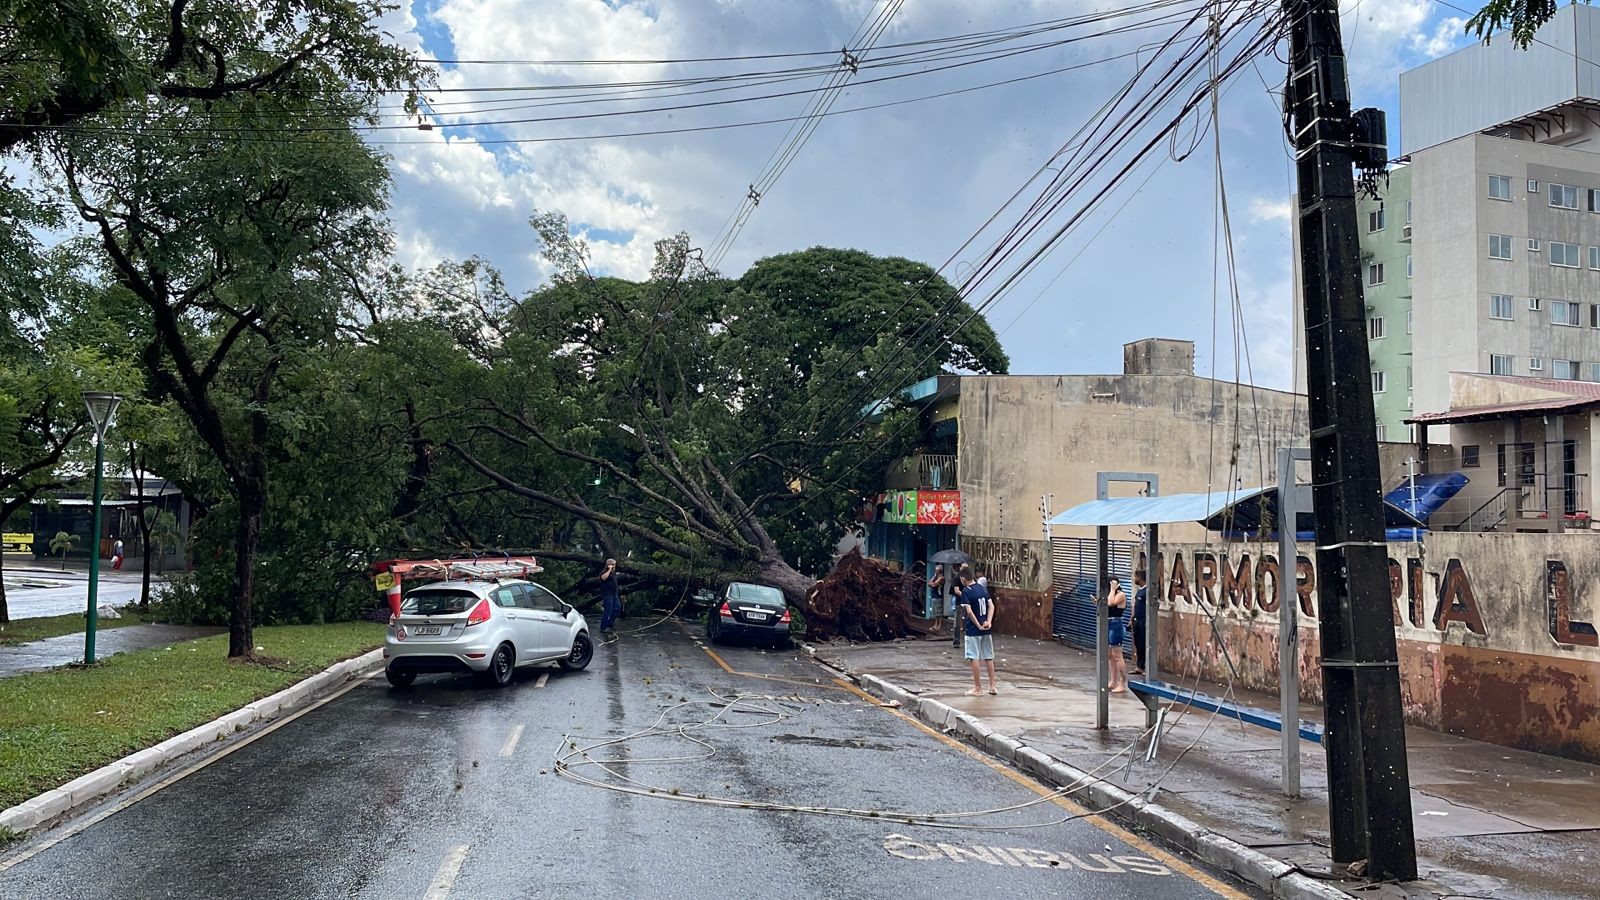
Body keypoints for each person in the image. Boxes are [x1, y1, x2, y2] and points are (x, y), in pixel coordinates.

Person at [957, 572, 998, 696]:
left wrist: (978, 625)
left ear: (963, 579)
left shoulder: (966, 591)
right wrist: (988, 622)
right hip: (987, 628)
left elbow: (969, 612)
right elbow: (991, 606)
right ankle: (992, 686)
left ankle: (978, 688)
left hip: (973, 630)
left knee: (973, 657)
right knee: (988, 656)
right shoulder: (981, 588)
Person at [1105, 577, 1129, 694]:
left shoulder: (1121, 595)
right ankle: (1113, 680)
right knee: (1110, 655)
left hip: (1116, 624)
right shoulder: (1111, 593)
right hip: (1108, 623)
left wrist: (1113, 589)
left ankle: (1123, 683)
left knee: (1117, 655)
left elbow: (1110, 602)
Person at [1131, 569, 1149, 675]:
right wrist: (1131, 620)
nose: (1134, 579)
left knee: (1144, 643)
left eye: (1135, 576)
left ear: (1140, 578)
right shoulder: (1139, 591)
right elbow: (1136, 606)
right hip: (1137, 621)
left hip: (1144, 622)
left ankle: (1147, 667)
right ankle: (1140, 666)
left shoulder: (1147, 591)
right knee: (1138, 643)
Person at [598, 558, 621, 640]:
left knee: (617, 609)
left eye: (615, 565)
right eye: (613, 565)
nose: (615, 566)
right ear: (609, 565)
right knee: (608, 610)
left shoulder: (614, 573)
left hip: (615, 594)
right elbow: (603, 578)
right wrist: (609, 569)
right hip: (607, 594)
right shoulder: (604, 572)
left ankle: (609, 625)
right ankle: (603, 627)